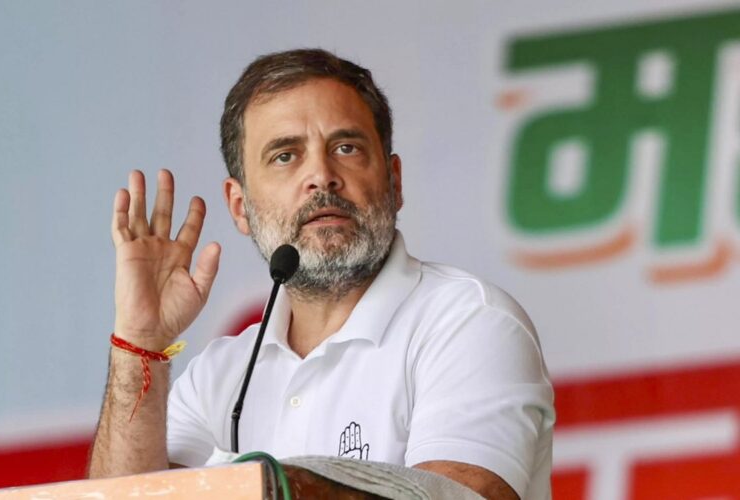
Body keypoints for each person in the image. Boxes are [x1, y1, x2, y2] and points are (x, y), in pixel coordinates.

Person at [88, 48, 555, 499]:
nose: (321, 176)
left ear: (394, 182)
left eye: (346, 148)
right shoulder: (218, 375)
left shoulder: (468, 323)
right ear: (240, 206)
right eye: (285, 156)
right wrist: (140, 343)